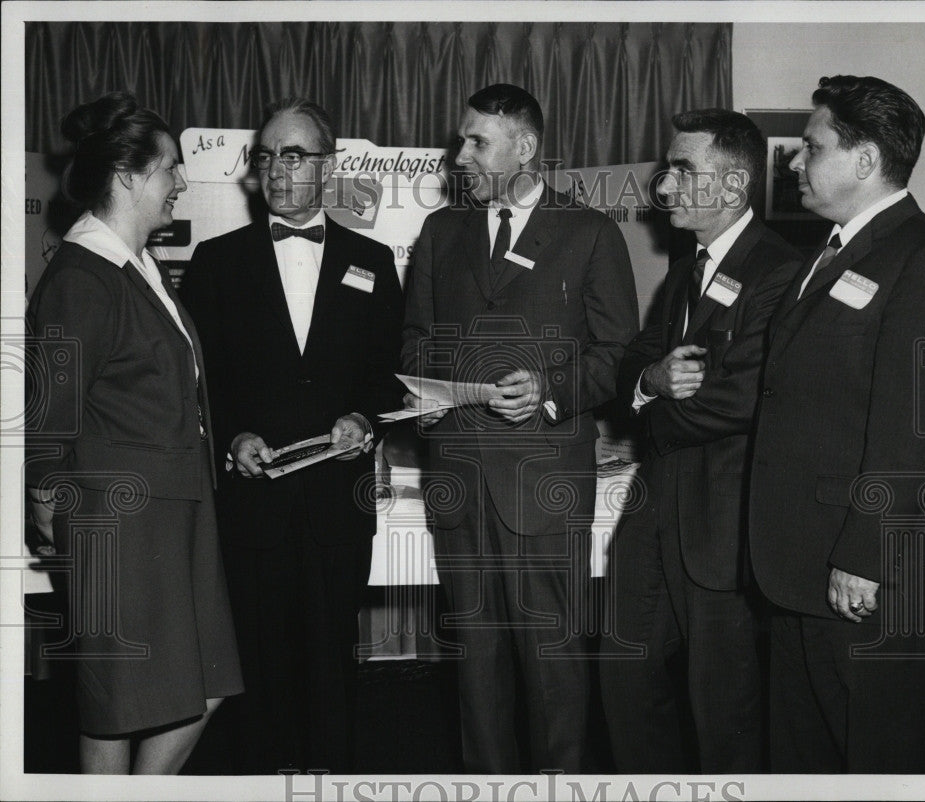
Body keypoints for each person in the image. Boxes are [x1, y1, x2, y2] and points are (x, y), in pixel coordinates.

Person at [401, 83, 639, 773]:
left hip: (544, 485)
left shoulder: (590, 232)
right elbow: (416, 338)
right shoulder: (442, 232)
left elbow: (618, 354)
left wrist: (550, 392)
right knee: (476, 664)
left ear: (524, 147)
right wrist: (430, 393)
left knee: (551, 663)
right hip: (459, 481)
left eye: (477, 140)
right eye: (462, 139)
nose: (460, 154)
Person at [748, 75, 925, 772]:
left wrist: (863, 557)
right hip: (801, 563)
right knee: (805, 758)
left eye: (810, 147)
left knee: (877, 762)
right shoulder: (828, 253)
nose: (793, 162)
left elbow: (916, 427)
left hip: (868, 573)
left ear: (866, 160)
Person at [179, 98, 403, 773]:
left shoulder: (372, 259)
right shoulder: (215, 261)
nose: (277, 170)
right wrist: (231, 436)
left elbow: (387, 374)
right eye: (267, 156)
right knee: (257, 663)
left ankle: (331, 780)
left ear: (328, 166)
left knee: (334, 659)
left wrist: (364, 418)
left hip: (339, 502)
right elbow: (197, 381)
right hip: (253, 506)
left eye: (294, 154)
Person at [25, 92, 243, 774]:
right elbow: (46, 423)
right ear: (128, 177)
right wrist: (59, 520)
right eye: (171, 167)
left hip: (175, 511)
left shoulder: (137, 266)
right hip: (116, 522)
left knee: (204, 689)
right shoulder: (80, 278)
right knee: (117, 706)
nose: (182, 181)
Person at [599, 109, 801, 773]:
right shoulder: (688, 269)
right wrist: (652, 382)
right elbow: (636, 360)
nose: (665, 186)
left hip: (724, 530)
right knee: (627, 683)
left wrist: (647, 402)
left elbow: (739, 399)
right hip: (654, 517)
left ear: (735, 186)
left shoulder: (780, 272)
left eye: (684, 171)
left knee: (725, 712)